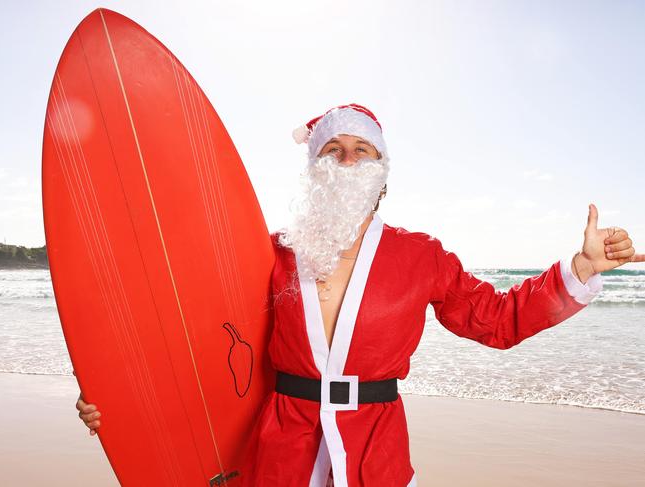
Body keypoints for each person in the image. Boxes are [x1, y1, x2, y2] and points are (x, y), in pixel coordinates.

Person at [76, 104, 643, 486]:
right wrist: (119, 400)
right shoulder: (267, 254)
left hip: (374, 448)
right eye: (333, 150)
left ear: (381, 169)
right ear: (313, 166)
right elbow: (198, 335)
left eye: (361, 151)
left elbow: (497, 320)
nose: (347, 160)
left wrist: (581, 269)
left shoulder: (421, 255)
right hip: (280, 448)